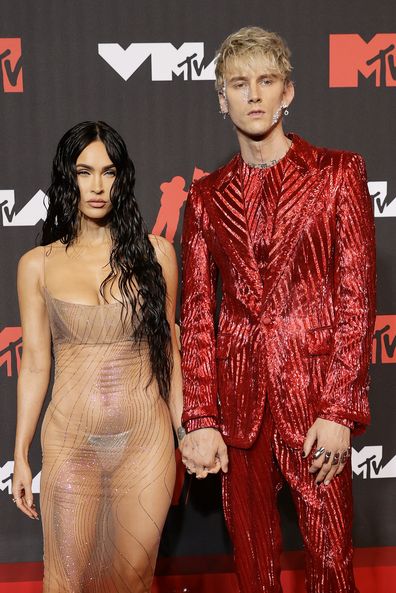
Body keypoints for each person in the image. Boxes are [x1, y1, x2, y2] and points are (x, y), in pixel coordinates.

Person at [180, 27, 376, 593]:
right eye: (239, 84)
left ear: (287, 91)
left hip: (315, 402)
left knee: (333, 565)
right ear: (222, 100)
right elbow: (196, 317)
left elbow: (355, 298)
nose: (254, 95)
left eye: (266, 81)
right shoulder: (206, 198)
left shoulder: (338, 175)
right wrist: (200, 418)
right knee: (253, 571)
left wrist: (340, 409)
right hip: (240, 408)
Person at [11, 121, 183, 593]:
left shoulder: (157, 255)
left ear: (122, 178)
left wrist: (186, 430)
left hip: (145, 443)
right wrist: (20, 453)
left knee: (134, 580)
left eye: (108, 172)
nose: (98, 185)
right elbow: (36, 365)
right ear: (68, 178)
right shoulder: (38, 265)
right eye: (85, 172)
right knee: (65, 582)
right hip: (70, 443)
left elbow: (170, 348)